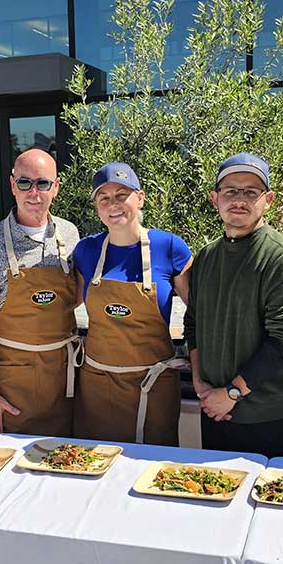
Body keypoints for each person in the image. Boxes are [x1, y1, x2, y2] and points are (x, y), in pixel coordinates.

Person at [186, 153, 283, 457]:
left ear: (268, 199)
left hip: (269, 417)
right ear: (215, 198)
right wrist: (200, 382)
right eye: (230, 191)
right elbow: (194, 322)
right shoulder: (206, 257)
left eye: (250, 192)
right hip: (216, 410)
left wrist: (231, 393)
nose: (239, 199)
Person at [72, 162, 192, 445]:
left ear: (140, 198)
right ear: (97, 207)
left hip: (154, 386)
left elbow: (199, 314)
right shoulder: (86, 251)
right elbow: (65, 307)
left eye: (122, 194)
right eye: (104, 198)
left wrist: (199, 368)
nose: (113, 204)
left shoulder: (170, 247)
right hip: (98, 386)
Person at [0, 148, 81, 434]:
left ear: (56, 186)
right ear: (13, 185)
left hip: (63, 383)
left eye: (42, 183)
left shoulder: (70, 235)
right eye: (25, 183)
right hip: (12, 389)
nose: (34, 193)